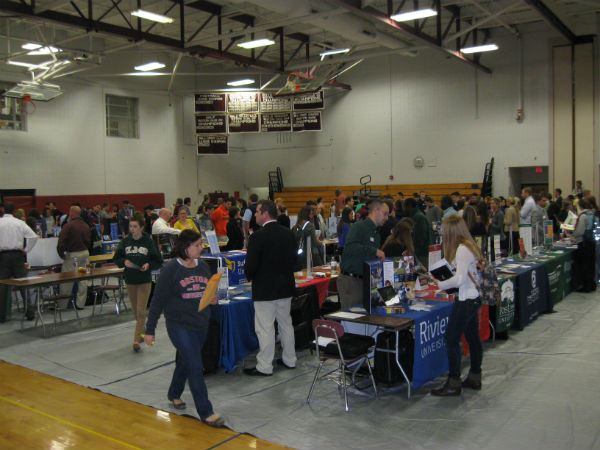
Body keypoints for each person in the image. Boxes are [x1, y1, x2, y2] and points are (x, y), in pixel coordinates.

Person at [143, 230, 224, 427]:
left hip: (200, 323)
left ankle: (174, 393)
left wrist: (212, 298)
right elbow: (157, 301)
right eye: (196, 245)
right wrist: (150, 329)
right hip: (179, 326)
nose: (200, 248)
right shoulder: (171, 270)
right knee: (195, 365)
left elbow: (206, 292)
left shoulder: (204, 266)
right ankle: (206, 412)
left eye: (201, 244)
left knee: (186, 361)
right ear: (185, 247)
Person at [430, 215, 483, 396]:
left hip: (466, 300)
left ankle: (454, 382)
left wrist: (440, 284)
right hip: (474, 297)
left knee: (451, 339)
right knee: (473, 338)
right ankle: (475, 376)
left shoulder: (461, 249)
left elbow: (460, 279)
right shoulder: (470, 246)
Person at [244, 200, 297, 376]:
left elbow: (250, 265)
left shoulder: (257, 237)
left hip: (265, 289)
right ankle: (290, 359)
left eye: (257, 212)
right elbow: (294, 261)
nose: (255, 215)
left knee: (265, 328)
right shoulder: (288, 234)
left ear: (265, 213)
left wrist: (249, 277)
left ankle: (265, 366)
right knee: (285, 324)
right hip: (285, 287)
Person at [114, 213, 162, 352]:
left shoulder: (148, 242)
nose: (132, 229)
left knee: (141, 311)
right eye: (130, 226)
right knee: (136, 312)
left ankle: (136, 340)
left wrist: (148, 265)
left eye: (135, 226)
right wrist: (124, 262)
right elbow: (116, 258)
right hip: (130, 280)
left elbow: (158, 260)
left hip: (144, 280)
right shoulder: (125, 242)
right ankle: (142, 332)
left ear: (141, 227)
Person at [338, 198, 388, 310]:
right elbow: (350, 248)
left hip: (366, 282)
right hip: (352, 281)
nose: (386, 218)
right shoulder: (358, 227)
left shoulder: (376, 234)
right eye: (385, 214)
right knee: (352, 321)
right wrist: (374, 251)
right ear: (376, 210)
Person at [0, 202, 39, 322]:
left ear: (3, 210)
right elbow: (34, 237)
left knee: (2, 286)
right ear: (14, 211)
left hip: (3, 256)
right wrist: (26, 250)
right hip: (18, 256)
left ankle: (1, 316)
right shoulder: (20, 223)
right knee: (23, 283)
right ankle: (30, 313)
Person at [57, 206, 91, 309]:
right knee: (84, 279)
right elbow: (90, 241)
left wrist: (61, 254)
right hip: (85, 254)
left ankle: (62, 305)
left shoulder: (68, 226)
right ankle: (80, 304)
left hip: (73, 255)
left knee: (66, 280)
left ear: (71, 213)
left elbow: (61, 242)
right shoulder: (86, 225)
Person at [572, 198, 597, 292]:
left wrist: (572, 234)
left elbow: (579, 231)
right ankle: (591, 284)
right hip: (591, 242)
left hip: (584, 243)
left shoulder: (583, 216)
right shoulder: (592, 214)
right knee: (590, 264)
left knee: (584, 265)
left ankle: (585, 286)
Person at [404, 198, 433, 268]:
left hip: (422, 253)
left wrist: (412, 249)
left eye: (405, 207)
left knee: (423, 275)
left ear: (409, 206)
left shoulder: (419, 217)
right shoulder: (416, 216)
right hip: (419, 252)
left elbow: (421, 237)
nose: (404, 209)